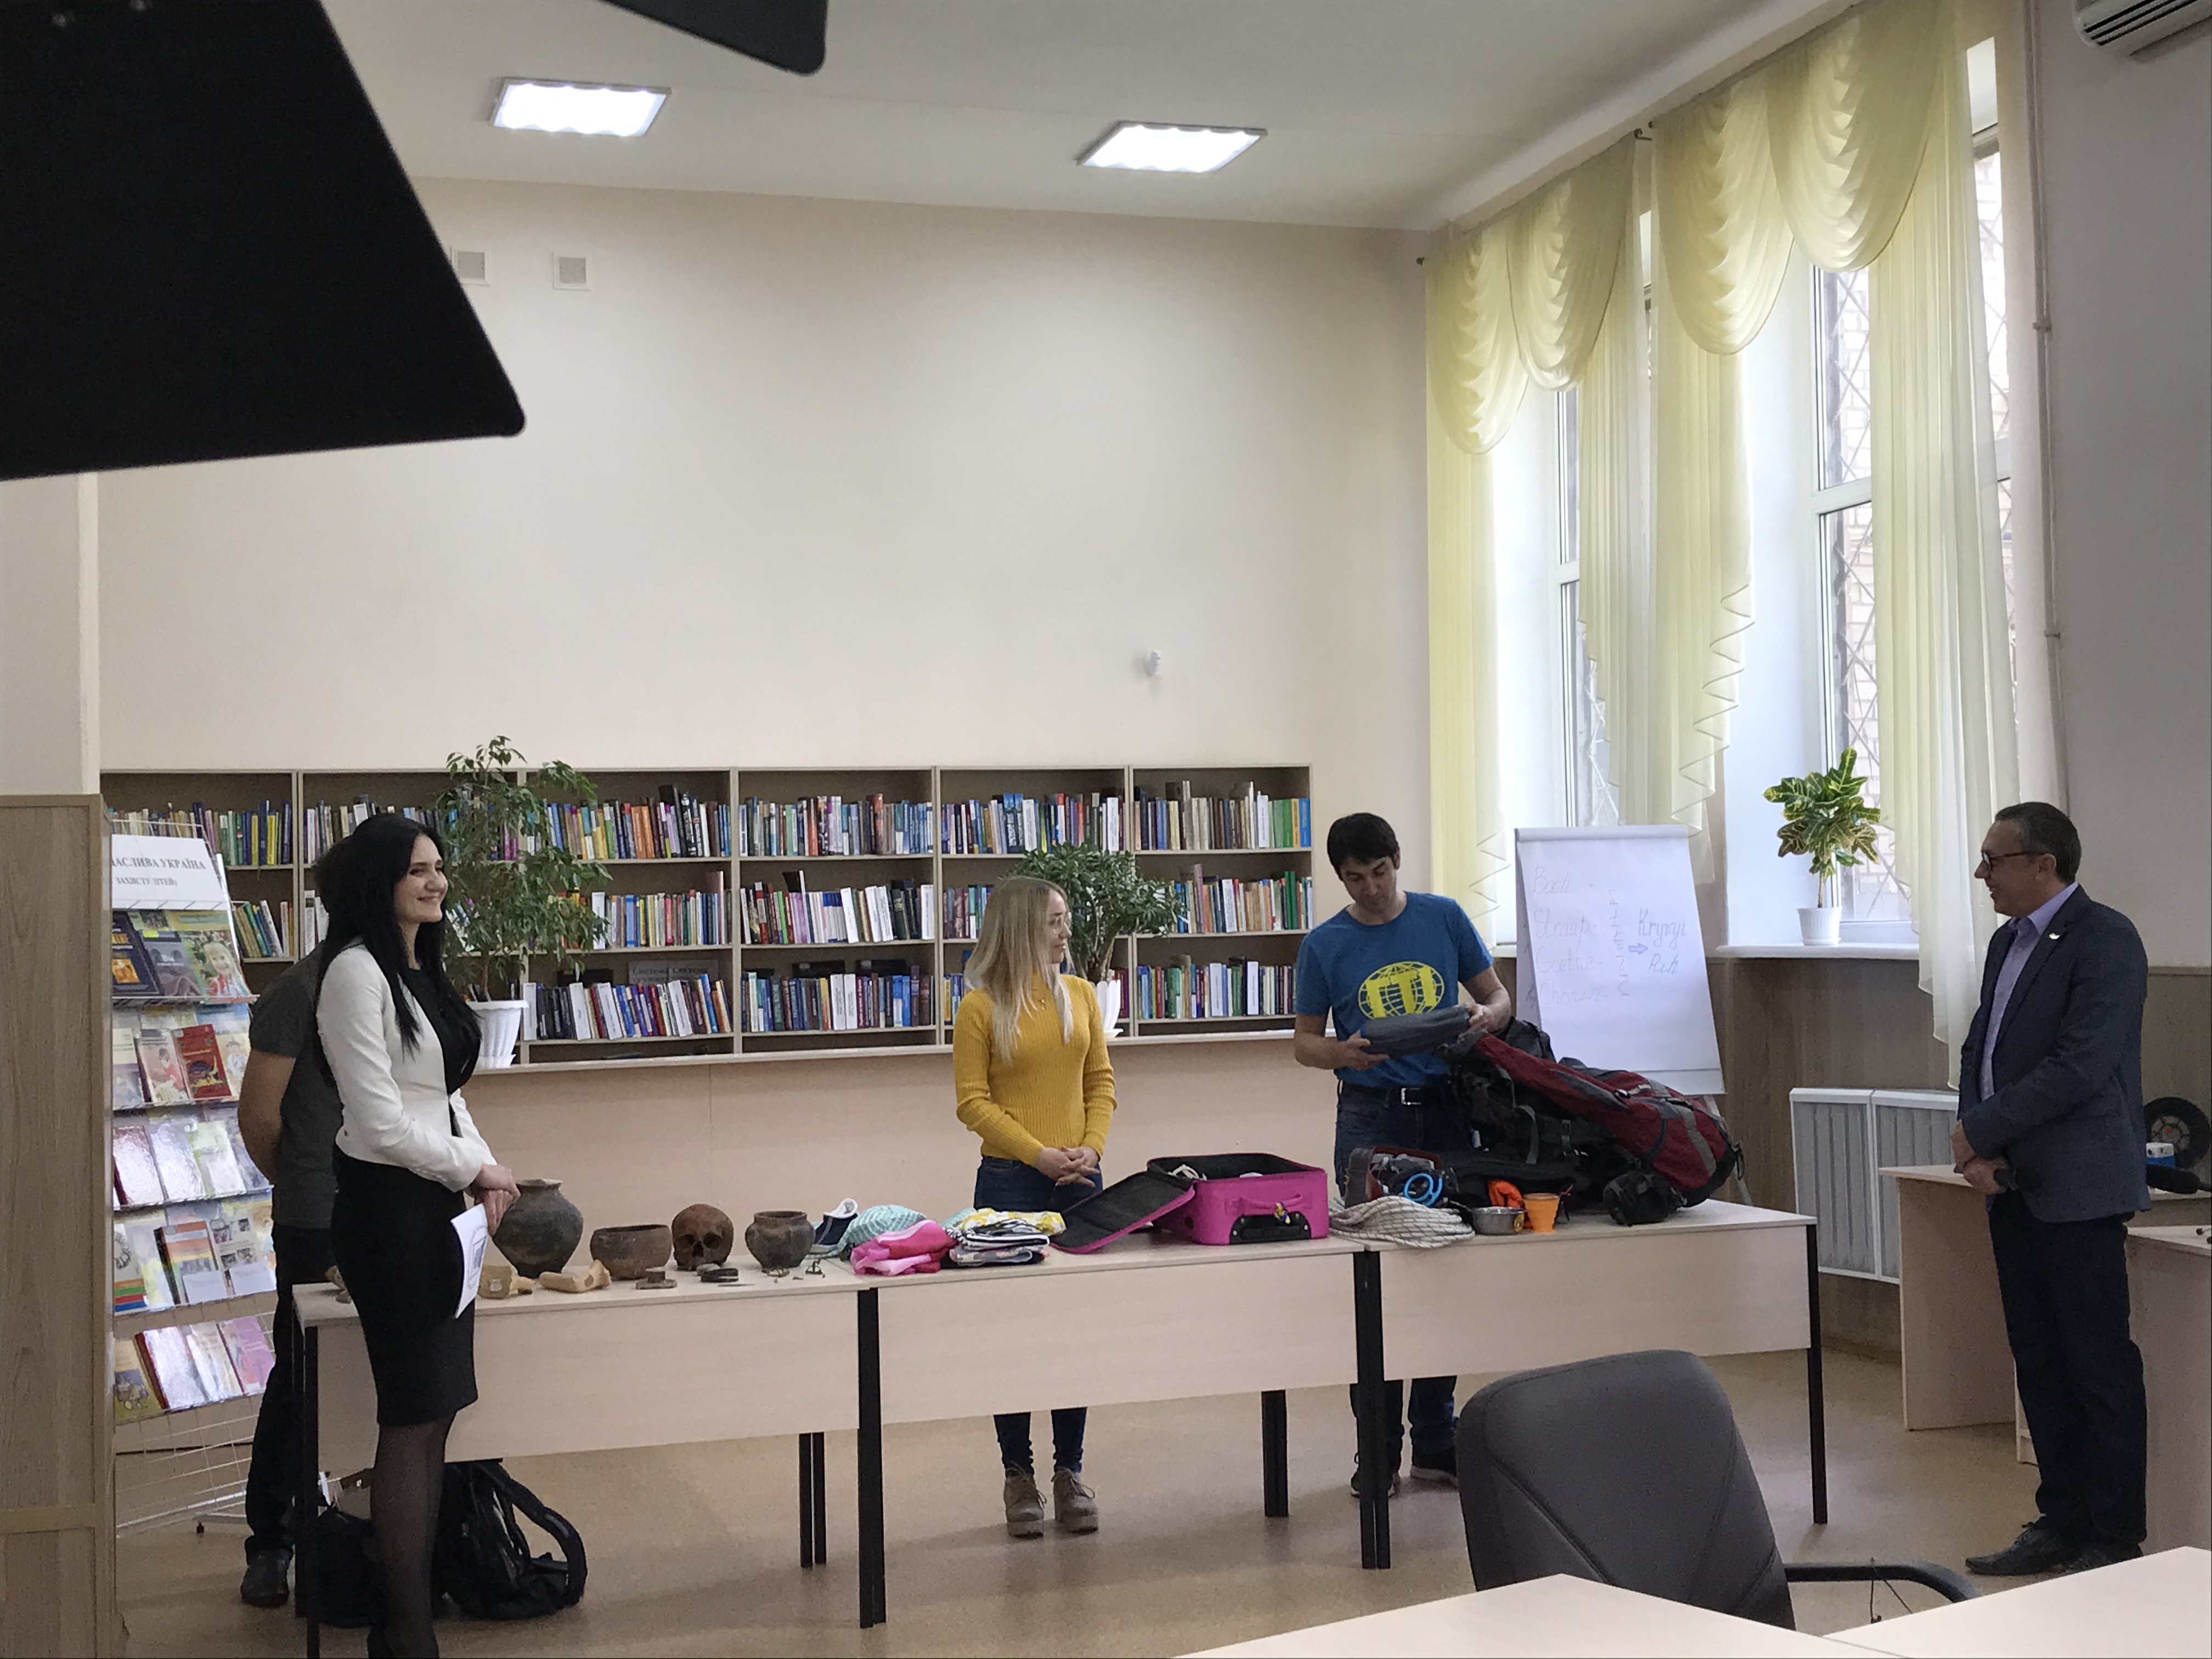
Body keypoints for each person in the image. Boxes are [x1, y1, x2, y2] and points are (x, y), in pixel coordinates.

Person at [315, 814, 519, 1658]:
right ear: (381, 882)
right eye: (418, 871)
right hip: (388, 1215)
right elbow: (380, 1123)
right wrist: (473, 1168)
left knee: (438, 1415)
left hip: (435, 1210)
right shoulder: (354, 974)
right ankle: (405, 1633)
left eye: (439, 868)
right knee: (410, 1417)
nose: (437, 883)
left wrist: (487, 1169)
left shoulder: (416, 969)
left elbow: (442, 1097)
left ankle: (411, 1616)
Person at [1952, 802, 2149, 1580]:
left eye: (1993, 859)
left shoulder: (2106, 940)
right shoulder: (2007, 942)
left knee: (2096, 1366)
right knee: (2038, 1360)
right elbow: (1981, 1047)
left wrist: (1981, 1128)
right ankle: (2060, 1521)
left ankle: (2113, 1536)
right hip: (2012, 1182)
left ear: (2044, 864)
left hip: (2079, 1188)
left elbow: (2080, 1067)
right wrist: (1976, 1141)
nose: (1982, 874)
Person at [1292, 812, 1510, 1493]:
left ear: (1397, 861)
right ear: (1340, 878)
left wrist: (1486, 1018)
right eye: (1355, 879)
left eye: (1380, 873)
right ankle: (1378, 1451)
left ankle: (1437, 1440)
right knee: (1375, 1283)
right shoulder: (1324, 944)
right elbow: (1304, 1043)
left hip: (1445, 1110)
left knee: (1444, 1276)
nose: (1372, 888)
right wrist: (1341, 1052)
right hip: (1369, 1115)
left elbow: (1498, 997)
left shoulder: (1443, 918)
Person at [952, 875, 1114, 1539]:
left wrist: (1090, 1149)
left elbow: (1101, 1082)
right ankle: (1017, 1474)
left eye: (1066, 918)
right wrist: (1039, 1154)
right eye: (1054, 920)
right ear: (1021, 928)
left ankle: (1069, 1471)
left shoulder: (1081, 995)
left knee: (1073, 1334)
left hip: (1080, 1181)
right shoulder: (979, 1008)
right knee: (1012, 1336)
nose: (1066, 930)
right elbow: (972, 1103)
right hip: (1010, 1184)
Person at [233, 955, 345, 1609]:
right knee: (301, 1380)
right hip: (317, 1219)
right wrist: (303, 1181)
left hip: (396, 1210)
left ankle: (373, 1531)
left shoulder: (407, 976)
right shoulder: (297, 992)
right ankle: (273, 1541)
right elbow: (259, 1118)